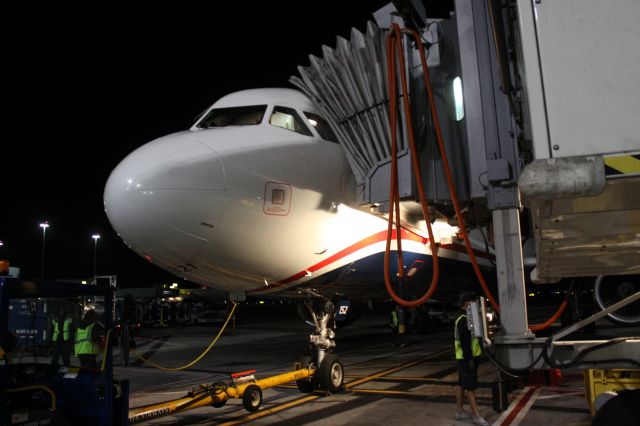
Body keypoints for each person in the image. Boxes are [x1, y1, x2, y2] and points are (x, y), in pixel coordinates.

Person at [454, 292, 489, 426]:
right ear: (466, 303)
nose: (474, 305)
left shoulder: (462, 316)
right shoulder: (463, 319)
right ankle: (476, 416)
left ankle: (459, 411)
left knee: (462, 384)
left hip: (462, 357)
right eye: (472, 302)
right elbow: (465, 342)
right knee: (470, 387)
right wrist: (470, 359)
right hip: (466, 357)